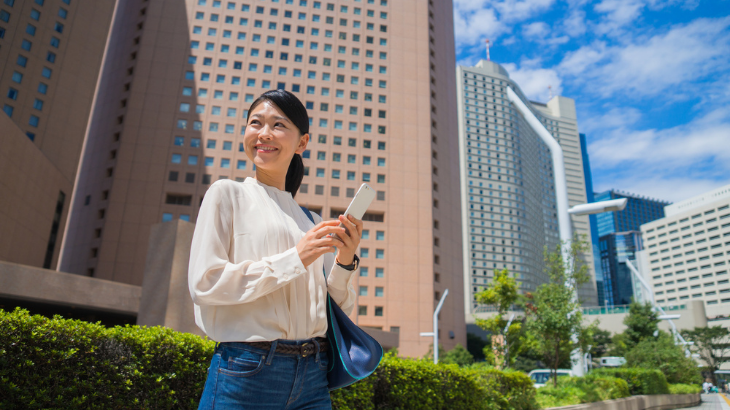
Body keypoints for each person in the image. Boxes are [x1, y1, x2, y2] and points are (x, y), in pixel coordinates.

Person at [188, 90, 362, 409]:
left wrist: (345, 262)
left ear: (301, 143)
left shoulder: (310, 221)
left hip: (313, 372)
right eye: (256, 123)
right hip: (247, 370)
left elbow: (329, 311)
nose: (264, 133)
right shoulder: (226, 195)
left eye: (278, 125)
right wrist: (295, 258)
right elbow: (205, 282)